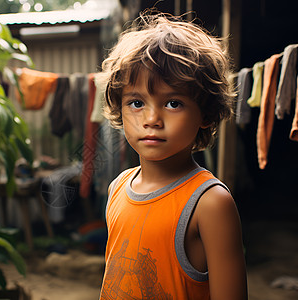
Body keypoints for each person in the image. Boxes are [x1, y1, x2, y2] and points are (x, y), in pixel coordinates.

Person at [98, 12, 248, 300]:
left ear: (205, 113)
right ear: (120, 108)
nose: (152, 118)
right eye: (137, 102)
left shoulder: (210, 203)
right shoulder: (116, 188)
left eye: (173, 103)